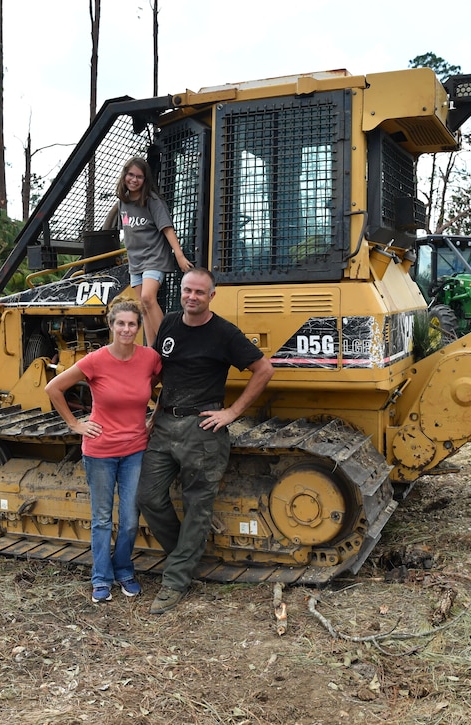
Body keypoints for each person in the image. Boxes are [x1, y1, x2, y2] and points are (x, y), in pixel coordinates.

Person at [138, 268, 275, 615]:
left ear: (212, 296)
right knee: (149, 497)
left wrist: (232, 412)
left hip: (203, 428)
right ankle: (185, 555)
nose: (192, 297)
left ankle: (176, 580)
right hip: (166, 422)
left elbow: (264, 369)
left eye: (200, 292)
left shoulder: (224, 333)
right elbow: (163, 374)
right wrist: (154, 414)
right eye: (187, 291)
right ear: (180, 292)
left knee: (197, 504)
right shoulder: (168, 324)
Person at [45, 300, 161, 604]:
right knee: (100, 518)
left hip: (135, 449)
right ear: (111, 326)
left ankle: (124, 569)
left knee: (130, 518)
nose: (126, 329)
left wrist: (155, 417)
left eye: (132, 324)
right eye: (120, 323)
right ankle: (100, 578)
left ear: (138, 327)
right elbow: (53, 388)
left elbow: (169, 385)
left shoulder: (149, 358)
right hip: (100, 451)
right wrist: (75, 424)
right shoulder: (95, 360)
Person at [107, 156, 193, 345]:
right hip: (135, 262)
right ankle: (153, 349)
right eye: (131, 175)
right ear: (124, 176)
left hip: (154, 258)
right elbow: (130, 231)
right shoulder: (123, 202)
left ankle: (169, 344)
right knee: (142, 307)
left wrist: (178, 255)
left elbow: (167, 228)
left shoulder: (152, 200)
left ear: (145, 180)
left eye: (139, 176)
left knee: (148, 297)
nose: (134, 180)